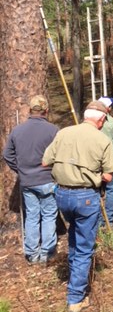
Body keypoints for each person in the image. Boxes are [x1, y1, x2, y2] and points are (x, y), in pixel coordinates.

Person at [42, 100, 113, 312]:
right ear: (101, 120)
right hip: (85, 197)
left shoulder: (63, 133)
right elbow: (109, 176)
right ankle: (75, 298)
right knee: (85, 246)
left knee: (74, 236)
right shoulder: (102, 140)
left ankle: (75, 274)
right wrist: (94, 175)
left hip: (62, 195)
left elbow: (45, 162)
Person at [2, 95, 59, 264]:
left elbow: (7, 155)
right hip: (48, 179)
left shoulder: (17, 131)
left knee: (32, 216)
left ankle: (32, 253)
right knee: (49, 215)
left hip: (27, 181)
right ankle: (46, 253)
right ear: (46, 110)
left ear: (30, 110)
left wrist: (20, 170)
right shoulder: (53, 130)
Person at [98, 96, 113, 225]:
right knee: (111, 190)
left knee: (95, 190)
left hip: (94, 161)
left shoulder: (90, 123)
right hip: (110, 161)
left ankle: (96, 218)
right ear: (108, 108)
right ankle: (109, 220)